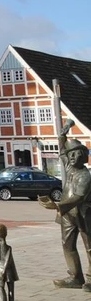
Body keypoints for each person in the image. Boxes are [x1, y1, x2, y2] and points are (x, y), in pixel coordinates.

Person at [38, 118, 91, 290]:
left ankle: (90, 279)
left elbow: (78, 197)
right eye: (71, 154)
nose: (73, 156)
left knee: (89, 247)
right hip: (68, 215)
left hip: (83, 215)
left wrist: (57, 206)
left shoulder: (85, 175)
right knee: (67, 245)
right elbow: (62, 149)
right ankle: (75, 277)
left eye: (77, 153)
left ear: (83, 156)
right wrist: (64, 132)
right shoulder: (69, 166)